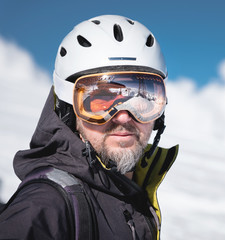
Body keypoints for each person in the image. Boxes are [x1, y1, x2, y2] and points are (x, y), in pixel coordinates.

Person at [0, 15, 178, 240]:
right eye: (102, 99)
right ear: (69, 110)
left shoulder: (133, 195)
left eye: (142, 98)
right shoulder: (46, 205)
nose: (124, 117)